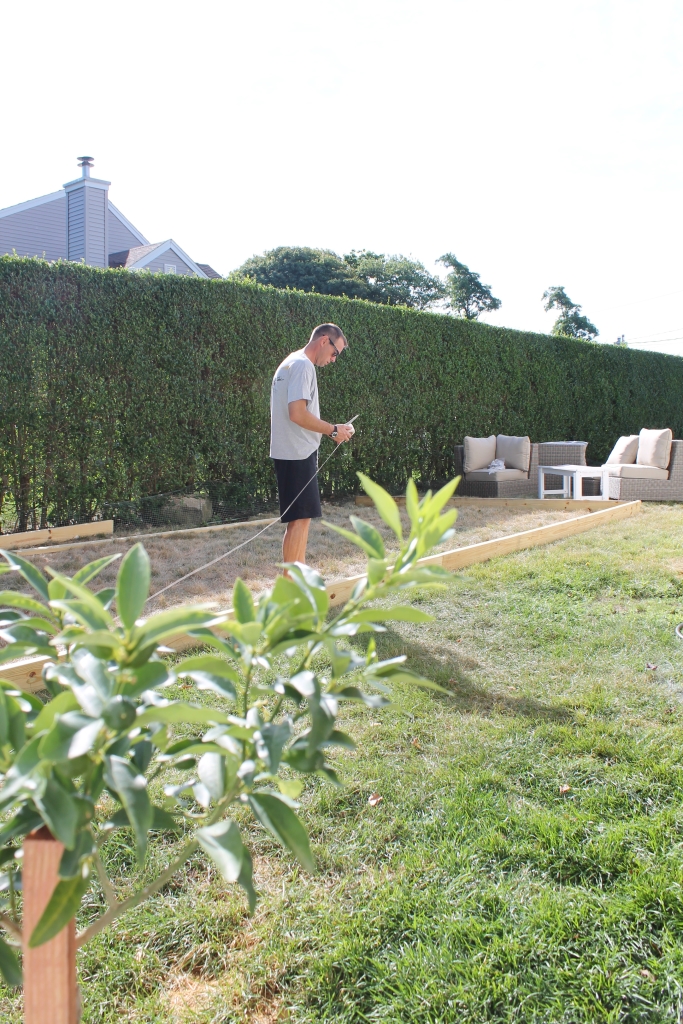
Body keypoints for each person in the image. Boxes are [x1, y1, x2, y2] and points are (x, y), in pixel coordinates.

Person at [270, 323, 353, 566]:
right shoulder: (303, 366)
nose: (334, 360)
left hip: (289, 452)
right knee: (300, 520)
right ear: (324, 340)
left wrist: (332, 428)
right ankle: (292, 587)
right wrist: (333, 430)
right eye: (335, 353)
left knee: (298, 521)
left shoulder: (290, 361)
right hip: (297, 454)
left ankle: (295, 579)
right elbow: (297, 413)